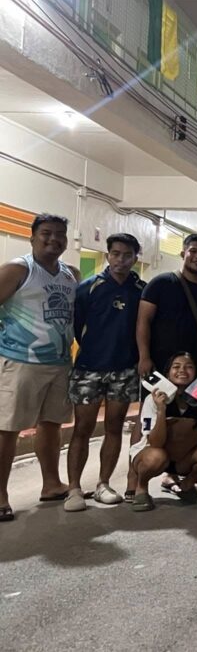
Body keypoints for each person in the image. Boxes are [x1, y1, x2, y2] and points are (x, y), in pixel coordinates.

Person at [0, 214, 78, 521]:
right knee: (7, 429)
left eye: (60, 234)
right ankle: (0, 494)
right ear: (32, 237)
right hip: (21, 362)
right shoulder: (18, 269)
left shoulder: (70, 274)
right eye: (46, 233)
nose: (53, 239)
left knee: (51, 424)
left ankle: (51, 484)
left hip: (59, 363)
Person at [65, 233, 146, 512]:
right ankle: (74, 488)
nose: (120, 260)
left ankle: (103, 483)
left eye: (127, 255)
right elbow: (78, 328)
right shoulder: (88, 288)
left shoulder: (141, 290)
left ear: (137, 256)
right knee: (82, 429)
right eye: (115, 254)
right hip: (89, 368)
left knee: (114, 427)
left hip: (124, 370)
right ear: (108, 255)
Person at [129, 352, 197, 512]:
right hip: (156, 455)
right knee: (155, 456)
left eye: (189, 367)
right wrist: (161, 410)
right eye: (176, 367)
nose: (182, 370)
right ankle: (141, 488)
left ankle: (187, 485)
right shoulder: (153, 399)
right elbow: (155, 443)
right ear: (167, 374)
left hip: (183, 459)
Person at [137, 233, 197, 376]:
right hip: (160, 363)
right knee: (157, 399)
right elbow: (143, 321)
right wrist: (144, 357)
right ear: (183, 254)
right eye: (193, 251)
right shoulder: (160, 284)